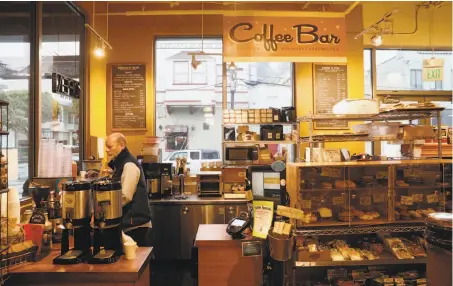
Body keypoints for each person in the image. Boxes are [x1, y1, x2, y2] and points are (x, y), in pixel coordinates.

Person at [105, 133, 153, 247]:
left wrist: (105, 209)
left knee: (137, 262)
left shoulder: (129, 165)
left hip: (136, 226)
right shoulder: (121, 163)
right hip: (132, 223)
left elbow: (125, 196)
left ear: (121, 145)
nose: (107, 150)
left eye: (110, 147)